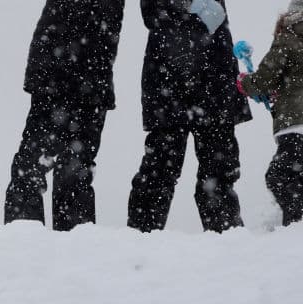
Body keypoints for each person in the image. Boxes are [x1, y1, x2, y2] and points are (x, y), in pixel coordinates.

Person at [128, 0, 251, 233]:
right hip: (171, 80)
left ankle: (227, 242)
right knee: (160, 168)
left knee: (218, 170)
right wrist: (186, 4)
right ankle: (139, 242)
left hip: (209, 80)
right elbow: (151, 13)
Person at [4, 0, 125, 232]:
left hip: (81, 74)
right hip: (67, 72)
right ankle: (26, 243)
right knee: (46, 167)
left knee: (60, 169)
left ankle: (38, 242)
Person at [239, 1, 303, 227]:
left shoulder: (288, 37)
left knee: (280, 178)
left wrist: (244, 83)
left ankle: (295, 229)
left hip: (296, 125)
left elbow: (264, 79)